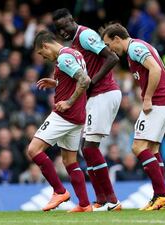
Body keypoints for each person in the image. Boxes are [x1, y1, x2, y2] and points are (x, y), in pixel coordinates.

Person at [52, 8, 122, 211]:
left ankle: (112, 200)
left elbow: (112, 58)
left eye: (65, 26)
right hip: (96, 95)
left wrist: (92, 83)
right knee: (86, 148)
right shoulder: (74, 43)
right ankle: (101, 200)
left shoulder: (85, 35)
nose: (63, 31)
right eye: (59, 29)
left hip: (104, 92)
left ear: (72, 21)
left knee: (90, 148)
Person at [101, 23, 165, 210]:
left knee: (138, 147)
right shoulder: (140, 47)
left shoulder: (135, 48)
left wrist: (149, 97)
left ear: (117, 39)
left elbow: (156, 70)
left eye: (110, 45)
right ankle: (160, 196)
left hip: (158, 101)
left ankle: (163, 193)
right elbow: (163, 71)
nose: (111, 50)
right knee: (153, 149)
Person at [28, 30, 92, 213]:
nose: (43, 57)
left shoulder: (64, 58)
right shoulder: (75, 53)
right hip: (78, 116)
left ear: (46, 45)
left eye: (42, 53)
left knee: (33, 150)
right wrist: (57, 83)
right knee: (70, 161)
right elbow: (74, 79)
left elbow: (84, 80)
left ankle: (59, 191)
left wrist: (69, 102)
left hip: (65, 114)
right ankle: (85, 204)